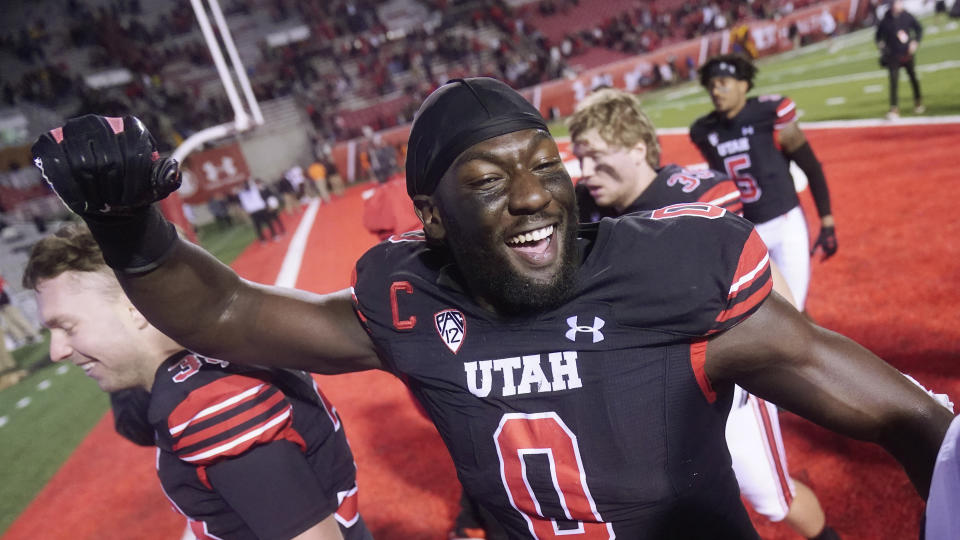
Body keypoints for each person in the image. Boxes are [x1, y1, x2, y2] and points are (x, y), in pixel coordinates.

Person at [31, 89, 955, 539]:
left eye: (544, 166)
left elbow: (915, 420)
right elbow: (226, 310)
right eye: (486, 180)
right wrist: (130, 230)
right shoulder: (409, 302)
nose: (531, 196)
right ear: (430, 218)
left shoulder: (674, 274)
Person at [569, 87, 839, 540]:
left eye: (596, 156)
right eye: (581, 158)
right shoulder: (586, 207)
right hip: (641, 393)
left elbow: (761, 270)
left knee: (773, 500)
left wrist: (786, 348)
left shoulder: (695, 198)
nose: (587, 171)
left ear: (638, 148)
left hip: (720, 384)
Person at [21, 223, 372, 540]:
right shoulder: (215, 352)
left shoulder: (207, 402)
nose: (56, 352)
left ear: (134, 309)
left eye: (66, 327)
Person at [690, 54, 836, 313]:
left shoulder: (770, 115)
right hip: (746, 231)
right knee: (760, 314)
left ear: (744, 85)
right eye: (711, 85)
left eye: (723, 82)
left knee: (793, 310)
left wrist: (826, 221)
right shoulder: (704, 131)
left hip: (784, 222)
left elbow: (811, 167)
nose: (716, 90)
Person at [875, 0, 924, 119]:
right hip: (892, 55)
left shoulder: (906, 16)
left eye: (900, 3)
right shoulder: (885, 19)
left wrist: (915, 42)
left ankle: (918, 102)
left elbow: (919, 29)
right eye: (897, 3)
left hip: (907, 53)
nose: (899, 5)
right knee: (893, 81)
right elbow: (878, 36)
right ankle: (894, 108)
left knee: (913, 78)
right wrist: (881, 46)